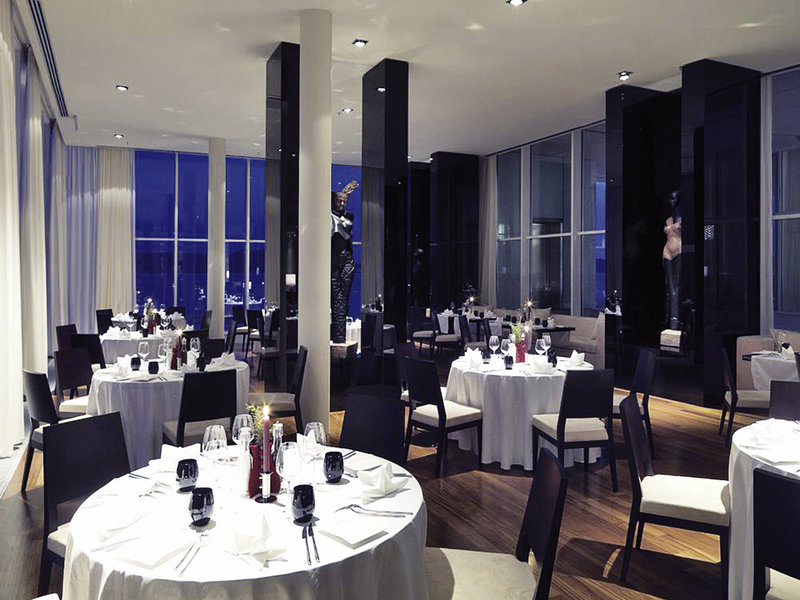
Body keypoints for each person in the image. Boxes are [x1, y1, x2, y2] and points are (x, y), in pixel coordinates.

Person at [331, 182, 358, 343]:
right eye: (338, 200)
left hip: (347, 260)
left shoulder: (349, 217)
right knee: (337, 299)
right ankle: (338, 337)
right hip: (334, 261)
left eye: (344, 201)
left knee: (342, 300)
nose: (341, 203)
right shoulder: (328, 216)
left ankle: (339, 337)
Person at [663, 190, 682, 330]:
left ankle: (676, 319)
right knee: (670, 287)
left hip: (679, 250)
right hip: (667, 251)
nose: (672, 201)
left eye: (674, 198)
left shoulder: (682, 218)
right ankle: (671, 319)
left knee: (677, 286)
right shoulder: (668, 220)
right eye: (670, 199)